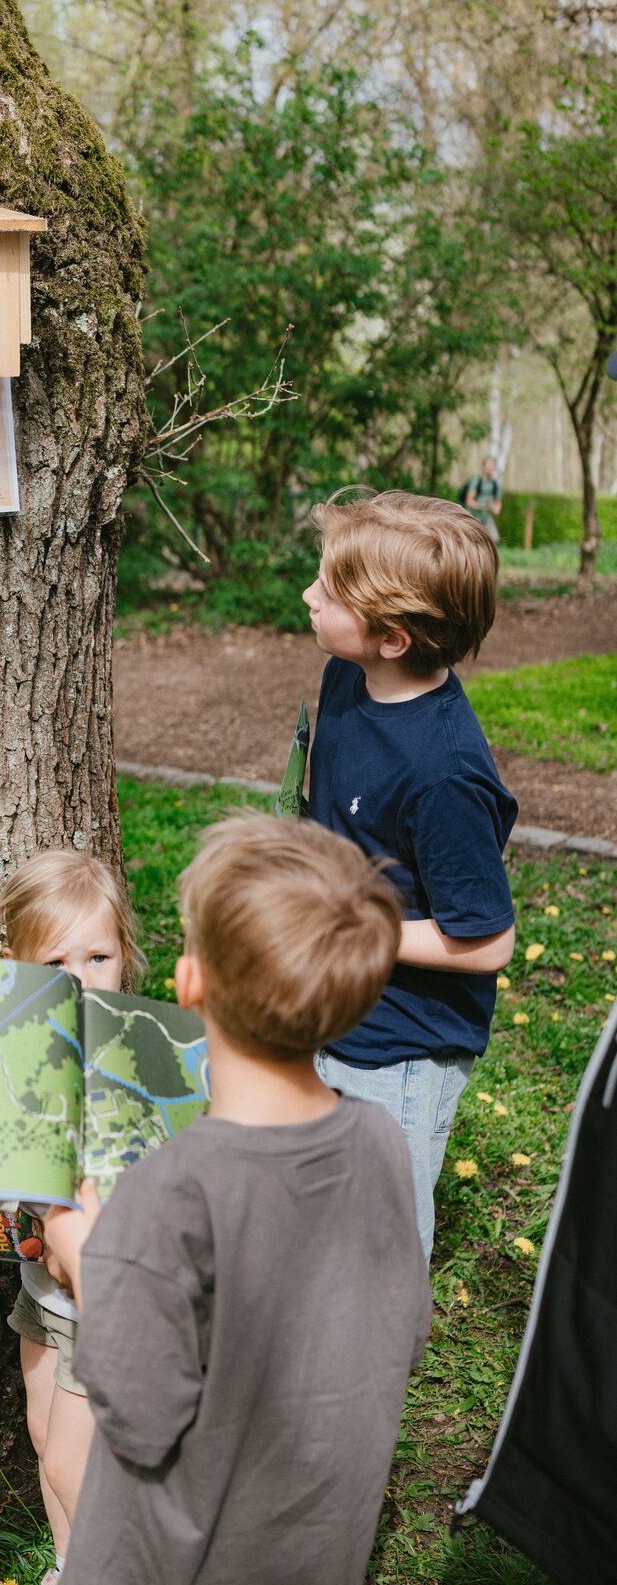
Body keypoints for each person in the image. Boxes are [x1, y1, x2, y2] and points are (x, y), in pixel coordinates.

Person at [44, 816, 431, 1585]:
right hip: (317, 1547)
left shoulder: (170, 1190)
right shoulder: (381, 1141)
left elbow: (142, 1415)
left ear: (190, 986)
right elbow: (404, 1331)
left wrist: (89, 1269)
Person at [302, 489, 517, 1257]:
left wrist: (353, 927)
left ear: (390, 637)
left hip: (400, 1048)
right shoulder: (343, 681)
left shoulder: (443, 774)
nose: (307, 596)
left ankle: (371, 1360)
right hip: (332, 1004)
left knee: (377, 1229)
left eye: (327, 593)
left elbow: (486, 943)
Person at [0, 852, 145, 1585]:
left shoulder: (135, 1058)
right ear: (16, 967)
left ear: (124, 957)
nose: (81, 978)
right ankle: (69, 1566)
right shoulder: (11, 1054)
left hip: (101, 1299)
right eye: (54, 961)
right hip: (41, 1290)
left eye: (98, 956)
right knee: (40, 1433)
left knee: (71, 1458)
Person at [460, 454, 503, 542]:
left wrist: (496, 509)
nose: (490, 469)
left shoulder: (496, 484)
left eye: (492, 466)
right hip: (474, 516)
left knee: (494, 539)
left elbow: (497, 502)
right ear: (483, 467)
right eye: (488, 466)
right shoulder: (476, 482)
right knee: (471, 539)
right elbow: (469, 501)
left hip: (487, 517)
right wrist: (484, 506)